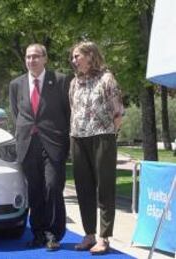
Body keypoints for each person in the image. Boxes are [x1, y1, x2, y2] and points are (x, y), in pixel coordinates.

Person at [9, 43, 71, 251]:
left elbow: (67, 113)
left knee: (53, 187)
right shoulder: (16, 84)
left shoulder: (61, 81)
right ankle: (37, 233)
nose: (31, 60)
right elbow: (17, 113)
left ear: (45, 59)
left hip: (53, 144)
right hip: (28, 144)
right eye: (28, 57)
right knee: (34, 190)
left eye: (36, 56)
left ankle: (53, 234)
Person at [69, 41, 124, 255]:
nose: (74, 60)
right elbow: (73, 109)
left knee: (105, 188)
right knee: (83, 188)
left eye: (77, 56)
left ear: (90, 55)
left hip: (103, 137)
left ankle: (104, 237)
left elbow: (118, 113)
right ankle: (89, 234)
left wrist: (110, 135)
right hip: (78, 138)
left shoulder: (107, 79)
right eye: (73, 57)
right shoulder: (74, 83)